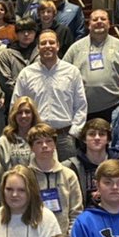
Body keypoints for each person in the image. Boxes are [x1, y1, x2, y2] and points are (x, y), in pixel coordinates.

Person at [13, 31, 87, 161]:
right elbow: (16, 106)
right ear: (38, 48)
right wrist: (25, 133)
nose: (48, 46)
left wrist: (73, 133)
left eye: (51, 42)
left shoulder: (72, 72)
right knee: (35, 177)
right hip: (36, 138)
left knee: (67, 177)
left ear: (58, 46)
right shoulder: (26, 74)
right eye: (43, 43)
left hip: (64, 137)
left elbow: (81, 105)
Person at [64, 10, 119, 123]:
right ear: (89, 24)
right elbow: (63, 75)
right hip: (83, 110)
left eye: (103, 19)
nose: (99, 22)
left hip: (115, 108)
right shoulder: (75, 48)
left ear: (109, 23)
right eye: (95, 19)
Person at [27, 124, 84, 233]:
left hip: (63, 236)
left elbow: (76, 212)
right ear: (31, 147)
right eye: (38, 142)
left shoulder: (69, 175)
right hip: (33, 236)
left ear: (54, 144)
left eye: (48, 141)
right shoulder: (25, 177)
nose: (44, 145)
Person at [65, 118, 111, 211]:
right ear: (84, 139)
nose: (97, 138)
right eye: (92, 134)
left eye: (102, 134)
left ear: (108, 140)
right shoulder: (69, 167)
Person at [0, 95, 40, 171]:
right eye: (19, 112)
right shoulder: (3, 142)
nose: (23, 115)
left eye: (27, 112)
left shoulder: (43, 140)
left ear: (33, 115)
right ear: (14, 115)